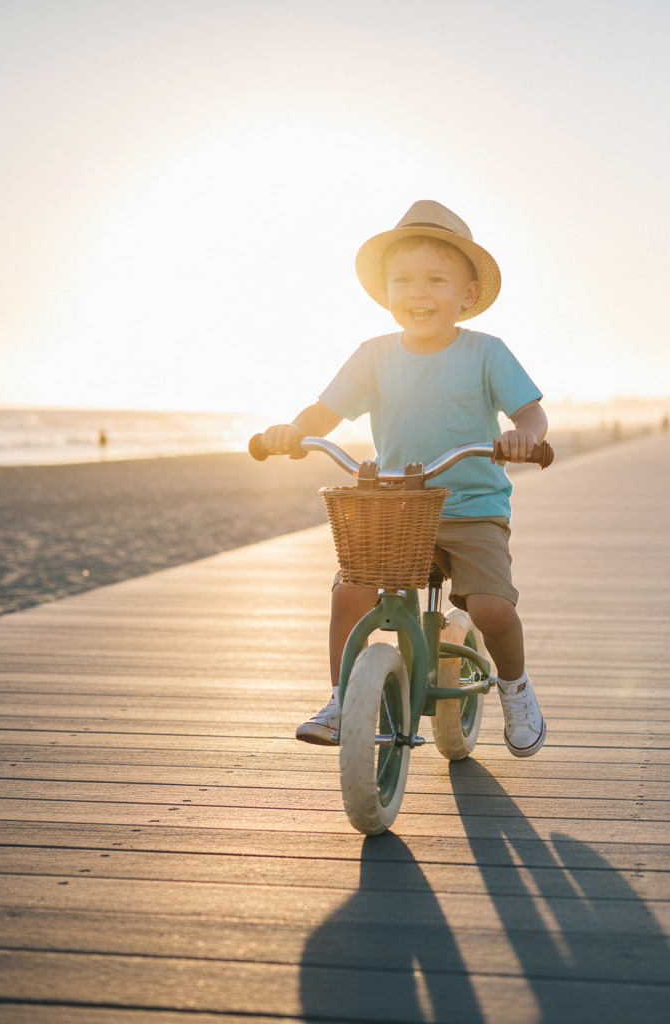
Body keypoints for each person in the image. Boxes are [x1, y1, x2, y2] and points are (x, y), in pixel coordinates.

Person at [261, 200, 547, 758]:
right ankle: (342, 698)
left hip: (472, 508)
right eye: (404, 280)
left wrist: (525, 436)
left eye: (436, 280)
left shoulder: (486, 353)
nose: (419, 292)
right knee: (350, 591)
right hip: (397, 508)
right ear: (386, 292)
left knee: (492, 610)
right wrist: (293, 431)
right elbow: (325, 412)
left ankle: (514, 686)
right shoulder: (373, 356)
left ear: (467, 295)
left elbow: (531, 412)